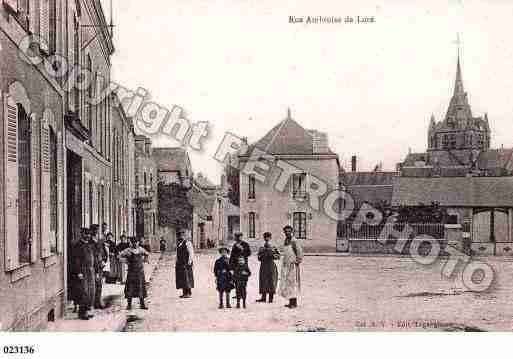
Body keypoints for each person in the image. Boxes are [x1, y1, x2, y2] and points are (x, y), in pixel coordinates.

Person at [71, 228, 96, 320]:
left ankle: (87, 310)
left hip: (90, 270)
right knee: (83, 292)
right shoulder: (78, 245)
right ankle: (82, 313)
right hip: (83, 271)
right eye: (86, 234)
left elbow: (93, 257)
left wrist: (95, 269)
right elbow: (76, 260)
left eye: (89, 234)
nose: (88, 236)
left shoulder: (89, 244)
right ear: (82, 234)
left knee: (90, 291)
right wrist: (79, 272)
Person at [119, 237, 150, 310]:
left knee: (141, 288)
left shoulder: (141, 249)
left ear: (138, 242)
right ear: (131, 243)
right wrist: (126, 262)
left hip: (140, 272)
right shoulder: (128, 250)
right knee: (130, 288)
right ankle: (129, 305)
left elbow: (147, 254)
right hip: (131, 272)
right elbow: (119, 256)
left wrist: (145, 260)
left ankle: (142, 304)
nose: (135, 244)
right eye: (133, 242)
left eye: (136, 242)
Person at [279, 225, 303, 309]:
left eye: (289, 231)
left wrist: (297, 261)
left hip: (292, 265)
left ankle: (294, 303)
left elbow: (299, 252)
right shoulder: (286, 240)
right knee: (288, 283)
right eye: (286, 231)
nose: (287, 233)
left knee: (293, 283)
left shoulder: (294, 241)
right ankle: (290, 302)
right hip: (286, 265)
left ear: (291, 232)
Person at [256, 232, 280, 303]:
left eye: (268, 237)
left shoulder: (273, 247)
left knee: (271, 281)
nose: (267, 239)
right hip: (263, 266)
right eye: (265, 237)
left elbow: (278, 256)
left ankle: (271, 298)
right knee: (263, 280)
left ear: (270, 238)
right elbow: (259, 257)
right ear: (264, 238)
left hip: (271, 266)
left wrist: (272, 254)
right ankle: (263, 297)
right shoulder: (261, 248)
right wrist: (262, 255)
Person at [90, 224, 108, 309]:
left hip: (100, 265)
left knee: (99, 284)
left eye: (96, 230)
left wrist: (104, 261)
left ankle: (98, 301)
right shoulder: (89, 242)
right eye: (94, 230)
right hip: (92, 266)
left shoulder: (100, 241)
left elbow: (104, 252)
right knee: (92, 285)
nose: (95, 232)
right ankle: (92, 303)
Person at [175, 229, 194, 298]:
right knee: (181, 278)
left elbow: (191, 253)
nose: (181, 237)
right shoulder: (179, 244)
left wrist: (189, 262)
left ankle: (188, 292)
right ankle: (184, 292)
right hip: (180, 263)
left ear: (184, 236)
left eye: (182, 235)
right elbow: (177, 254)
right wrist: (176, 261)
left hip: (186, 263)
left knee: (187, 277)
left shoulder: (187, 243)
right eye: (179, 235)